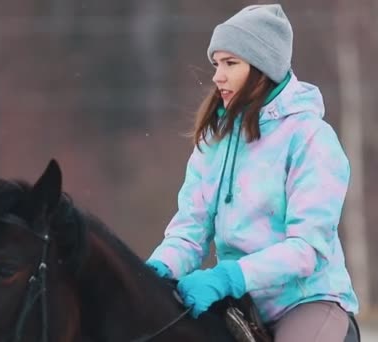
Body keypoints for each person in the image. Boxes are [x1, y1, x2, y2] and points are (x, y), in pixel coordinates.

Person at [146, 4, 359, 342]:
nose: (218, 76)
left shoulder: (311, 138)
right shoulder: (212, 143)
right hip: (238, 304)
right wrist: (156, 273)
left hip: (307, 303)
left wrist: (229, 277)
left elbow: (306, 250)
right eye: (217, 63)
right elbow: (189, 233)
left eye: (231, 63)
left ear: (263, 68)